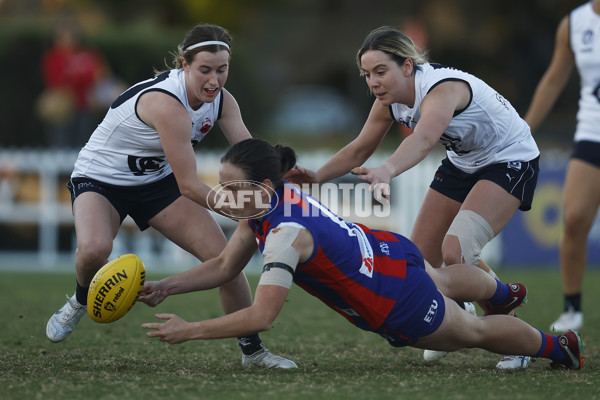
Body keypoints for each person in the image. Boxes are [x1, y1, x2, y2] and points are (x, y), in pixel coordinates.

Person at [139, 138, 584, 371]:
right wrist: (166, 286)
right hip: (388, 252)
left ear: (264, 186)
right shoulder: (272, 201)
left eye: (233, 187)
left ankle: (558, 347)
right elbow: (223, 265)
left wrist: (190, 330)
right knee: (446, 280)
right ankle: (502, 291)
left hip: (394, 298)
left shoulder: (283, 235)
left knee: (474, 332)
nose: (224, 195)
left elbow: (261, 317)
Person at [284, 26, 540, 369]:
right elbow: (360, 148)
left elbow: (422, 140)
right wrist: (315, 178)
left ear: (407, 66)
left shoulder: (442, 88)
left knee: (456, 250)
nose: (373, 82)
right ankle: (467, 311)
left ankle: (515, 336)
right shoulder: (387, 102)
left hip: (511, 159)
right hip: (463, 163)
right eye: (366, 74)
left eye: (380, 71)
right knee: (420, 264)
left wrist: (388, 169)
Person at [45, 23, 296, 369]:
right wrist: (242, 209)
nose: (214, 80)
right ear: (184, 64)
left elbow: (250, 155)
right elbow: (190, 186)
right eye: (205, 70)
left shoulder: (223, 101)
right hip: (101, 179)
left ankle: (252, 352)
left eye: (222, 70)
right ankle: (79, 298)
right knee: (94, 250)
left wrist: (280, 174)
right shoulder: (167, 105)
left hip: (156, 183)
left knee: (227, 261)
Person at [524, 0, 600, 333]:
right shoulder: (574, 24)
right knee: (574, 219)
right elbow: (554, 80)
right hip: (591, 133)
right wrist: (523, 131)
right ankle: (572, 308)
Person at [38, 21, 106, 148]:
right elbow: (55, 81)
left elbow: (97, 75)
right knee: (60, 144)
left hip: (84, 105)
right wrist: (79, 78)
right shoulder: (53, 56)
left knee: (83, 143)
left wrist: (74, 78)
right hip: (62, 109)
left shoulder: (87, 54)